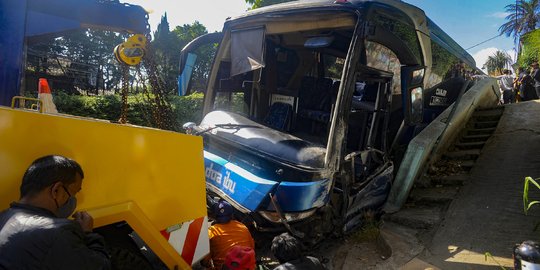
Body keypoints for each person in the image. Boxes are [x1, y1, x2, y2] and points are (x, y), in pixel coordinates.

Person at [0, 155, 110, 270]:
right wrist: (87, 233)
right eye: (73, 193)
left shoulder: (3, 217)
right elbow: (101, 267)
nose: (73, 200)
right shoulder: (57, 233)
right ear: (56, 190)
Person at [204, 200, 255, 270]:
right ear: (232, 215)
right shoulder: (242, 226)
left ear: (215, 216)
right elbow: (252, 247)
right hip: (247, 266)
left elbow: (205, 261)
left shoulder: (211, 232)